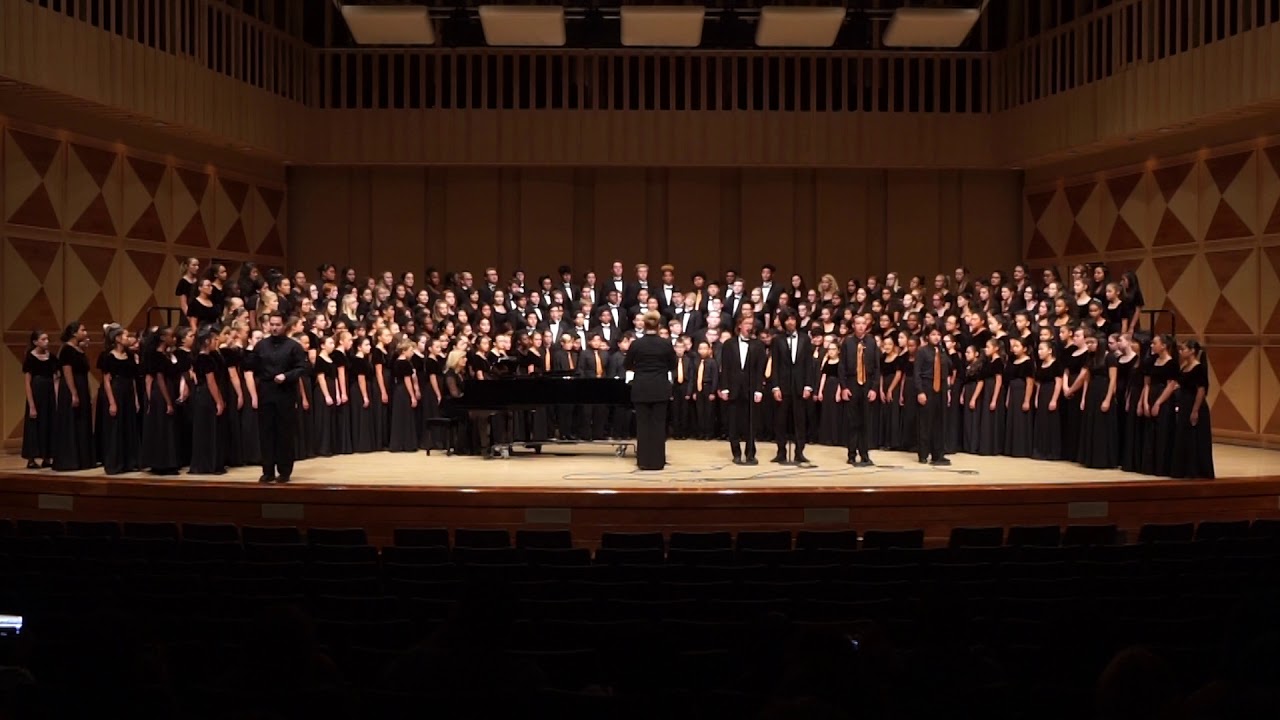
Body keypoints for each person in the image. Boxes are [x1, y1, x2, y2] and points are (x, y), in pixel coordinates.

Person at [253, 312, 310, 483]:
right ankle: (268, 470)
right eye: (272, 324)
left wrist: (286, 376)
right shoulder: (261, 346)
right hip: (266, 391)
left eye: (278, 324)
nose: (274, 327)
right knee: (266, 432)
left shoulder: (294, 346)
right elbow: (254, 367)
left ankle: (284, 471)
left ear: (284, 325)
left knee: (285, 432)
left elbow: (302, 368)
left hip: (285, 392)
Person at [625, 311, 677, 471]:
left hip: (641, 388)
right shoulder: (666, 344)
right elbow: (673, 365)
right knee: (658, 425)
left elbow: (627, 364)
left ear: (644, 325)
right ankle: (657, 461)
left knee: (642, 425)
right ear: (658, 325)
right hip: (660, 388)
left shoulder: (636, 344)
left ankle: (643, 461)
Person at [719, 316, 766, 465]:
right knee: (733, 423)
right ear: (739, 326)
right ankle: (736, 453)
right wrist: (724, 388)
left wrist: (759, 390)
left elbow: (760, 370)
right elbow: (725, 368)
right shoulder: (728, 344)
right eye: (746, 323)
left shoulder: (758, 345)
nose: (749, 326)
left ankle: (750, 453)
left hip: (751, 388)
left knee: (751, 423)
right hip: (733, 388)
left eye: (751, 324)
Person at [769, 310, 813, 464]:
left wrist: (808, 386)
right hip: (783, 385)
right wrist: (775, 387)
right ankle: (781, 451)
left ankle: (799, 452)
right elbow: (775, 365)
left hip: (800, 386)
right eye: (787, 320)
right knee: (780, 420)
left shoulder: (805, 340)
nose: (790, 322)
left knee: (799, 420)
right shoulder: (777, 340)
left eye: (793, 319)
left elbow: (809, 364)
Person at [839, 315, 880, 466]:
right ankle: (851, 454)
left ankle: (864, 453)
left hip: (867, 384)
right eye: (858, 323)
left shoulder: (871, 341)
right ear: (853, 326)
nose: (861, 326)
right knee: (852, 421)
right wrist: (843, 387)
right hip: (852, 383)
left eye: (864, 323)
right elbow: (841, 366)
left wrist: (874, 388)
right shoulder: (847, 342)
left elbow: (876, 367)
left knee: (865, 421)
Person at [914, 326, 951, 466]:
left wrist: (947, 391)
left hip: (940, 388)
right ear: (928, 336)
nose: (936, 337)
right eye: (933, 334)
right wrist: (920, 391)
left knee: (939, 422)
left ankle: (938, 454)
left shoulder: (942, 351)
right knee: (925, 423)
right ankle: (923, 454)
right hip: (927, 386)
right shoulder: (922, 351)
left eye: (938, 334)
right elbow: (917, 372)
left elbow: (947, 370)